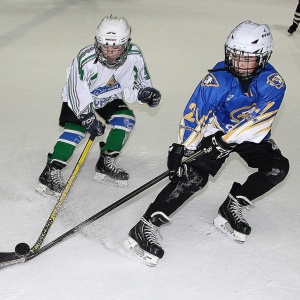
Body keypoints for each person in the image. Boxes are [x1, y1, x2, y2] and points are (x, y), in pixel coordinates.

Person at [123, 20, 289, 267]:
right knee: (192, 178)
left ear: (263, 58)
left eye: (248, 59)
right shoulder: (216, 80)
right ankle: (145, 226)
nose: (239, 64)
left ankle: (232, 205)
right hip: (215, 129)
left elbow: (258, 122)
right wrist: (183, 147)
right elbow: (195, 112)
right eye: (235, 57)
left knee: (277, 168)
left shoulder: (273, 83)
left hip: (249, 134)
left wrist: (225, 142)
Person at [36, 15, 161, 197]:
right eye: (105, 46)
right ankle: (51, 170)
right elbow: (76, 89)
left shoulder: (134, 55)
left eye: (116, 47)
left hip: (109, 96)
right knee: (76, 131)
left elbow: (140, 82)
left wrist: (145, 94)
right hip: (80, 98)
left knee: (125, 120)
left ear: (126, 44)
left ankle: (106, 161)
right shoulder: (85, 59)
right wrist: (87, 117)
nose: (110, 52)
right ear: (97, 43)